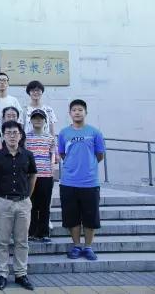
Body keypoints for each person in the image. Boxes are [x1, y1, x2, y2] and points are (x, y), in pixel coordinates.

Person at [0, 120, 37, 291]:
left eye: (15, 132)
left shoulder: (28, 155)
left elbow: (33, 175)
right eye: (8, 133)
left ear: (21, 135)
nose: (12, 136)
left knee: (22, 241)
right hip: (3, 202)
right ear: (3, 136)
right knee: (2, 241)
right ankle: (2, 274)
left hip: (23, 202)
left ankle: (21, 274)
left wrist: (28, 195)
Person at [58, 99, 105, 261]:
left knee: (90, 217)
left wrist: (88, 166)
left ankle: (88, 247)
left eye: (80, 110)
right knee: (72, 217)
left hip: (90, 182)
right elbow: (62, 154)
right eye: (74, 110)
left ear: (85, 112)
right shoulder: (64, 133)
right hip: (68, 182)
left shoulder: (95, 132)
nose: (77, 112)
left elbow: (100, 155)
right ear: (70, 113)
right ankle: (77, 245)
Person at [26, 109, 56, 243]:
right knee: (31, 205)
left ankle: (44, 233)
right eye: (35, 118)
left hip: (46, 176)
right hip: (30, 176)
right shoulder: (26, 138)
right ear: (31, 120)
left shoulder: (50, 138)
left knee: (45, 205)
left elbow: (53, 157)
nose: (38, 120)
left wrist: (52, 173)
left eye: (40, 118)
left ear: (45, 121)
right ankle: (31, 232)